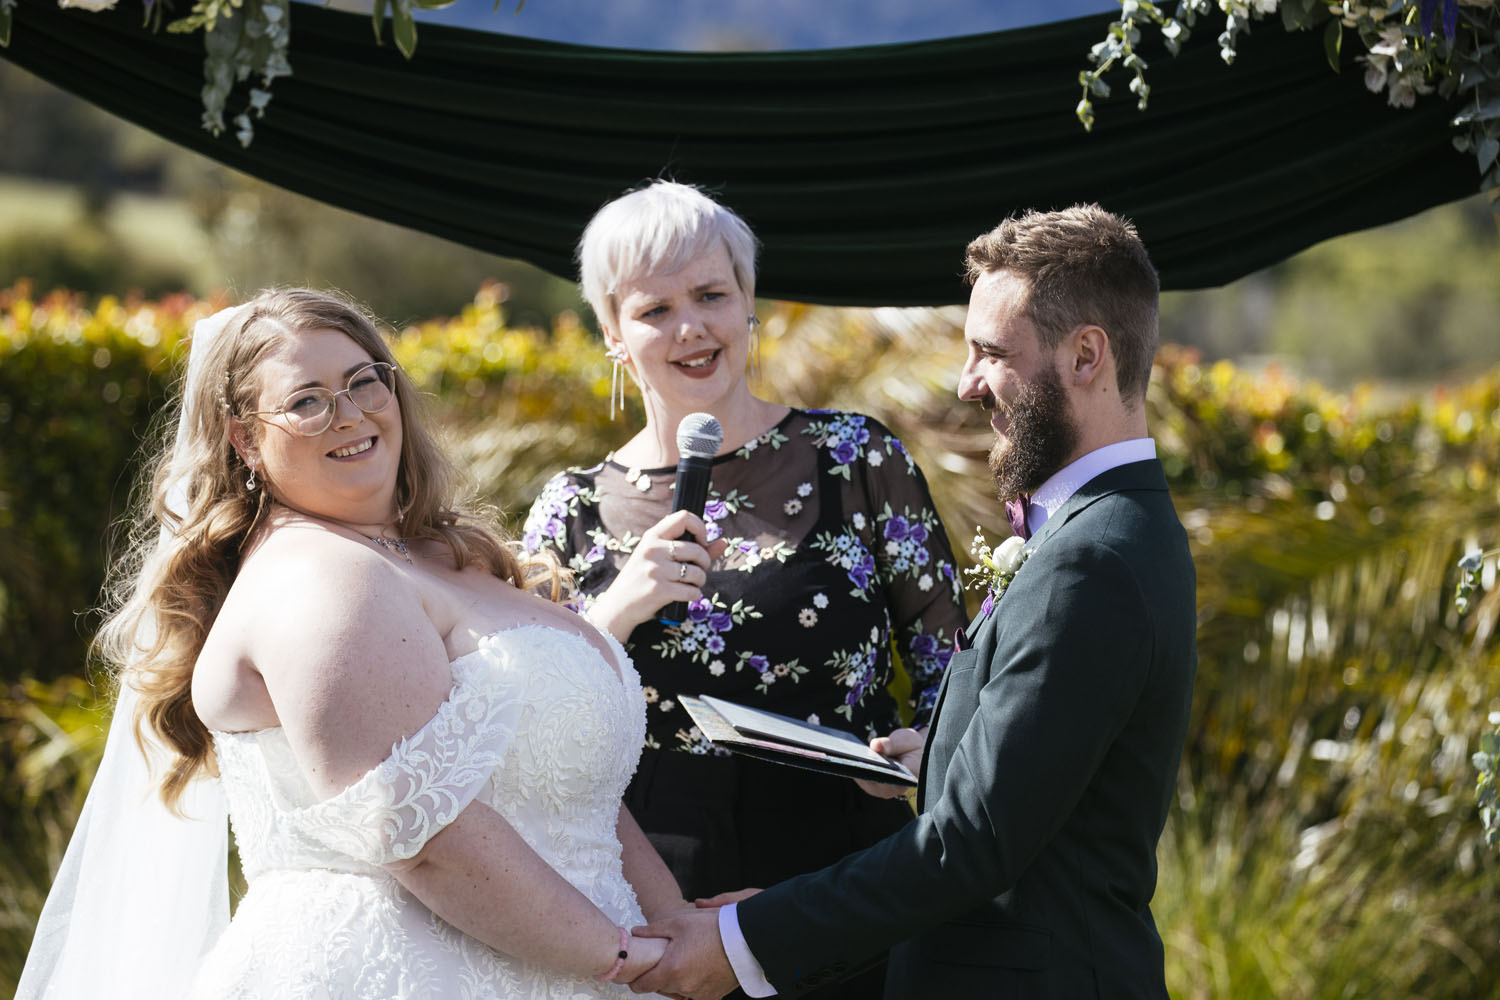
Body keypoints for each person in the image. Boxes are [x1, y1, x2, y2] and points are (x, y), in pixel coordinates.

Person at [17, 288, 688, 999]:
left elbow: (580, 795)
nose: (351, 414)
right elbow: (425, 839)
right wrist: (627, 958)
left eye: (365, 381)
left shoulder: (438, 557)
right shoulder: (318, 577)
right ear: (244, 438)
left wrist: (672, 920)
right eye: (307, 400)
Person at [628, 204, 1199, 1000]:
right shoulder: (1119, 528)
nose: (968, 384)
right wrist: (933, 756)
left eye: (992, 353)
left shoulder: (1091, 558)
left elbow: (975, 842)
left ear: (1086, 355)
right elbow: (1034, 789)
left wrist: (741, 939)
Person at [522, 181, 969, 998]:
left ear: (748, 303)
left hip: (839, 881)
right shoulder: (571, 510)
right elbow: (528, 728)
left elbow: (959, 673)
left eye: (710, 295)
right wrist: (617, 609)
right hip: (646, 896)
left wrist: (924, 753)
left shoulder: (857, 460)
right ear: (614, 335)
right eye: (655, 309)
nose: (690, 327)